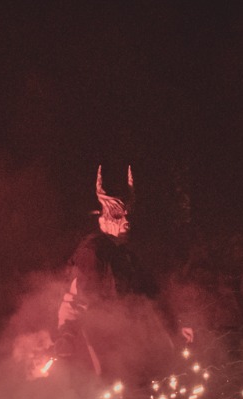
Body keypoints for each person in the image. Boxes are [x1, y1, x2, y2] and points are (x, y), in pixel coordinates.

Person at [52, 166, 185, 387]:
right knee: (113, 391)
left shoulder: (127, 255)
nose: (126, 221)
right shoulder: (93, 251)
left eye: (127, 215)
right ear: (103, 220)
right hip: (104, 339)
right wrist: (66, 334)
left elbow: (151, 295)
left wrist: (175, 327)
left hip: (132, 339)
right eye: (117, 215)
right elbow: (75, 298)